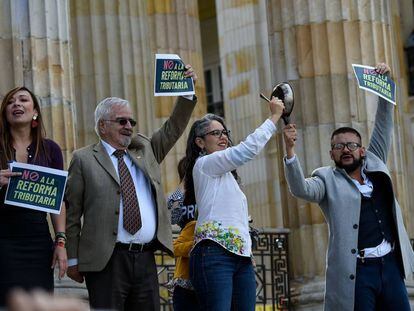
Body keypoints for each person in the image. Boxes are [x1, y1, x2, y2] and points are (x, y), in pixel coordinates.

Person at [282, 63, 414, 310]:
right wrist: (290, 152)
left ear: (362, 150)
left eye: (351, 145)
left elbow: (384, 123)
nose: (346, 150)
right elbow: (300, 189)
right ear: (331, 154)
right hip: (359, 273)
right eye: (339, 146)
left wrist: (386, 83)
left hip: (390, 266)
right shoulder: (325, 179)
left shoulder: (375, 160)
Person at [65, 65, 197, 311]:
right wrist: (73, 259)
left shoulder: (144, 150)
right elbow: (72, 214)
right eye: (122, 121)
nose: (129, 126)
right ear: (102, 126)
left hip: (145, 258)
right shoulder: (83, 159)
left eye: (132, 121)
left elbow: (173, 129)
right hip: (107, 261)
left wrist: (187, 93)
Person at [185, 97, 285, 310]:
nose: (223, 137)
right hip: (214, 253)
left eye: (225, 133)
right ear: (200, 142)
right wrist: (274, 116)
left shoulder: (227, 177)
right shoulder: (204, 164)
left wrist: (247, 251)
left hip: (241, 258)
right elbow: (246, 150)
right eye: (215, 133)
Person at [0, 86, 68, 306]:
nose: (16, 104)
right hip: (2, 239)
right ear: (5, 112)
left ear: (35, 111)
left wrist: (60, 242)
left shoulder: (51, 150)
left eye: (23, 100)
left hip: (37, 241)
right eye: (11, 102)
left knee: (39, 303)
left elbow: (58, 202)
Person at [167, 158, 198, 310]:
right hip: (187, 259)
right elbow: (171, 215)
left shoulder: (208, 192)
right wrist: (184, 183)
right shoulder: (183, 197)